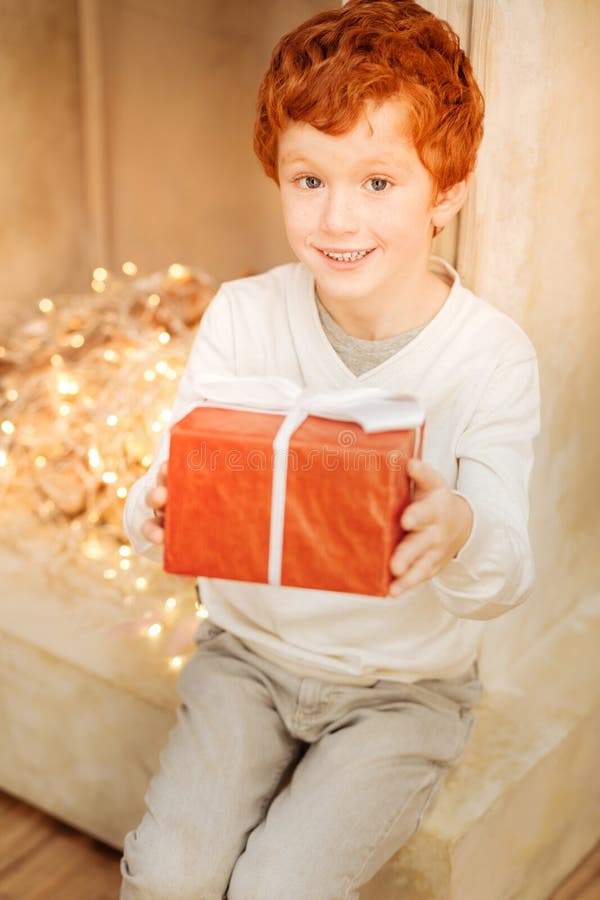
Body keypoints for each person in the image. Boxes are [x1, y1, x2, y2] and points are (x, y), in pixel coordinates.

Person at [119, 1, 540, 897]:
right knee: (168, 875)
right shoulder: (244, 314)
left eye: (378, 183)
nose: (337, 218)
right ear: (277, 174)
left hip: (404, 693)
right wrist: (154, 509)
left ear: (447, 193)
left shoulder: (490, 356)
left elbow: (506, 572)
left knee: (279, 888)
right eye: (309, 179)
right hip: (246, 660)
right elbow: (167, 489)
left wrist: (460, 527)